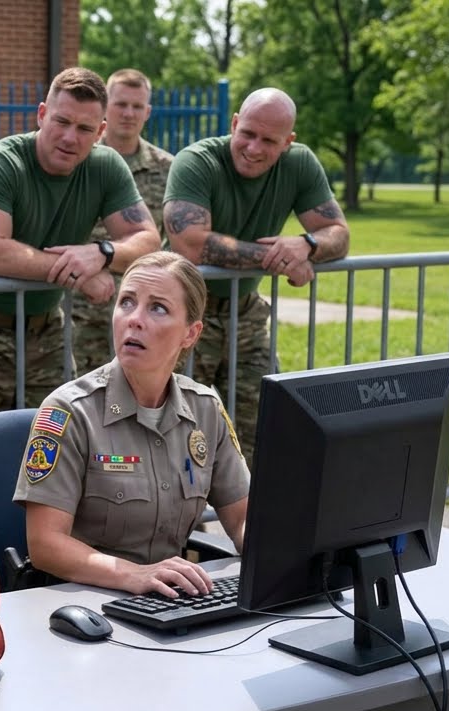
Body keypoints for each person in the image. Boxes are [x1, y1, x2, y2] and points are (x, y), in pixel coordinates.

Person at [15, 251, 247, 596]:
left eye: (158, 308)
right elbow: (46, 544)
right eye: (126, 302)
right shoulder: (69, 412)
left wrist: (284, 550)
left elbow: (242, 518)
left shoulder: (205, 410)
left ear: (190, 333)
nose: (134, 320)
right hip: (85, 603)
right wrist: (134, 575)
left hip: (166, 600)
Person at [0, 66, 161, 416]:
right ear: (42, 114)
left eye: (84, 129)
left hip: (48, 332)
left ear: (101, 132)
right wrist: (77, 271)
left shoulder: (105, 166)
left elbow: (147, 239)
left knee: (58, 443)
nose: (69, 137)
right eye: (61, 122)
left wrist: (102, 253)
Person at [162, 87, 349, 466]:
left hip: (244, 315)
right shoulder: (196, 161)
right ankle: (170, 522)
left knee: (268, 428)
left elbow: (339, 233)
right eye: (247, 133)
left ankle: (253, 521)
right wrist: (278, 257)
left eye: (269, 140)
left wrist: (306, 244)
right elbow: (191, 243)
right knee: (169, 432)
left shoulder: (299, 164)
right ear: (234, 123)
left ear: (288, 142)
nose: (254, 147)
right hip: (181, 311)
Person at [74, 68, 175, 373]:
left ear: (148, 112)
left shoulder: (167, 168)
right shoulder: (77, 161)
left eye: (137, 106)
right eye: (121, 104)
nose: (129, 113)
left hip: (142, 315)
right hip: (80, 309)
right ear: (106, 107)